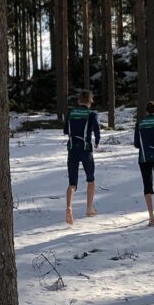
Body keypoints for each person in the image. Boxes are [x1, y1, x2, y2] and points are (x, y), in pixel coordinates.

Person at [64, 90, 101, 225]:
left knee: (72, 183)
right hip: (86, 150)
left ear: (79, 100)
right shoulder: (91, 114)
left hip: (72, 149)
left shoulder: (70, 113)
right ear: (90, 101)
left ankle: (69, 207)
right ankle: (89, 208)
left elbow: (65, 130)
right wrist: (97, 141)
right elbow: (97, 130)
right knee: (91, 180)